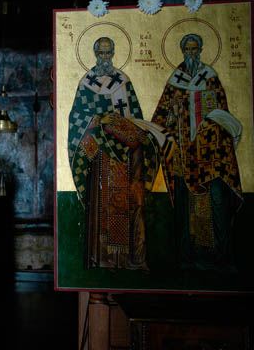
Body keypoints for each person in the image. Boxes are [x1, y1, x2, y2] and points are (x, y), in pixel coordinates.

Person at [68, 37, 165, 271]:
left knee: (131, 202)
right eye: (101, 54)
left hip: (127, 155)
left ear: (113, 53)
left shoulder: (123, 81)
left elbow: (136, 116)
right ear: (94, 54)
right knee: (103, 207)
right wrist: (100, 119)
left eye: (108, 53)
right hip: (101, 157)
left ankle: (128, 259)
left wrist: (137, 132)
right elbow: (76, 119)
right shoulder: (86, 83)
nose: (105, 58)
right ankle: (103, 259)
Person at [151, 33, 242, 272]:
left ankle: (220, 258)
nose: (191, 54)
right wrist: (173, 111)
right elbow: (160, 117)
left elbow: (223, 113)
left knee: (217, 203)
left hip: (211, 155)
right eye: (187, 50)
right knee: (184, 206)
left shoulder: (210, 77)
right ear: (182, 52)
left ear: (200, 51)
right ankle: (186, 257)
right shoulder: (175, 79)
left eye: (195, 49)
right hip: (183, 155)